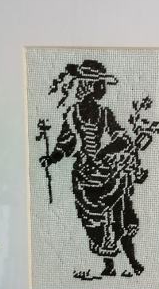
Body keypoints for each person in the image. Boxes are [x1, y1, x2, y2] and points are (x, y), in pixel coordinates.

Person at [40, 60, 146, 277]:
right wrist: (51, 159)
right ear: (90, 86)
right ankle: (109, 264)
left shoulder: (105, 114)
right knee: (97, 222)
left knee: (119, 215)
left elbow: (121, 138)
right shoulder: (73, 114)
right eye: (101, 84)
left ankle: (132, 260)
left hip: (108, 172)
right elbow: (65, 143)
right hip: (85, 176)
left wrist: (105, 151)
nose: (104, 89)